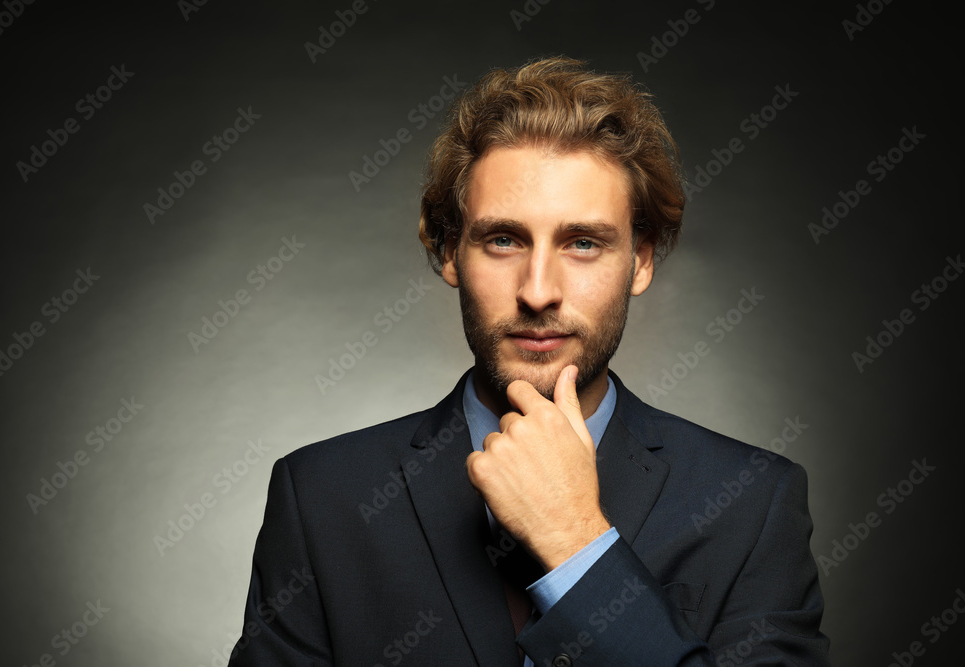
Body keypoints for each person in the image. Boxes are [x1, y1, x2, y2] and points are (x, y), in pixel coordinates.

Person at [226, 57, 830, 666]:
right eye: (503, 240)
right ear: (449, 252)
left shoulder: (753, 503)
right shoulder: (322, 497)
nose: (538, 291)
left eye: (583, 243)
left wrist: (576, 544)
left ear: (640, 262)